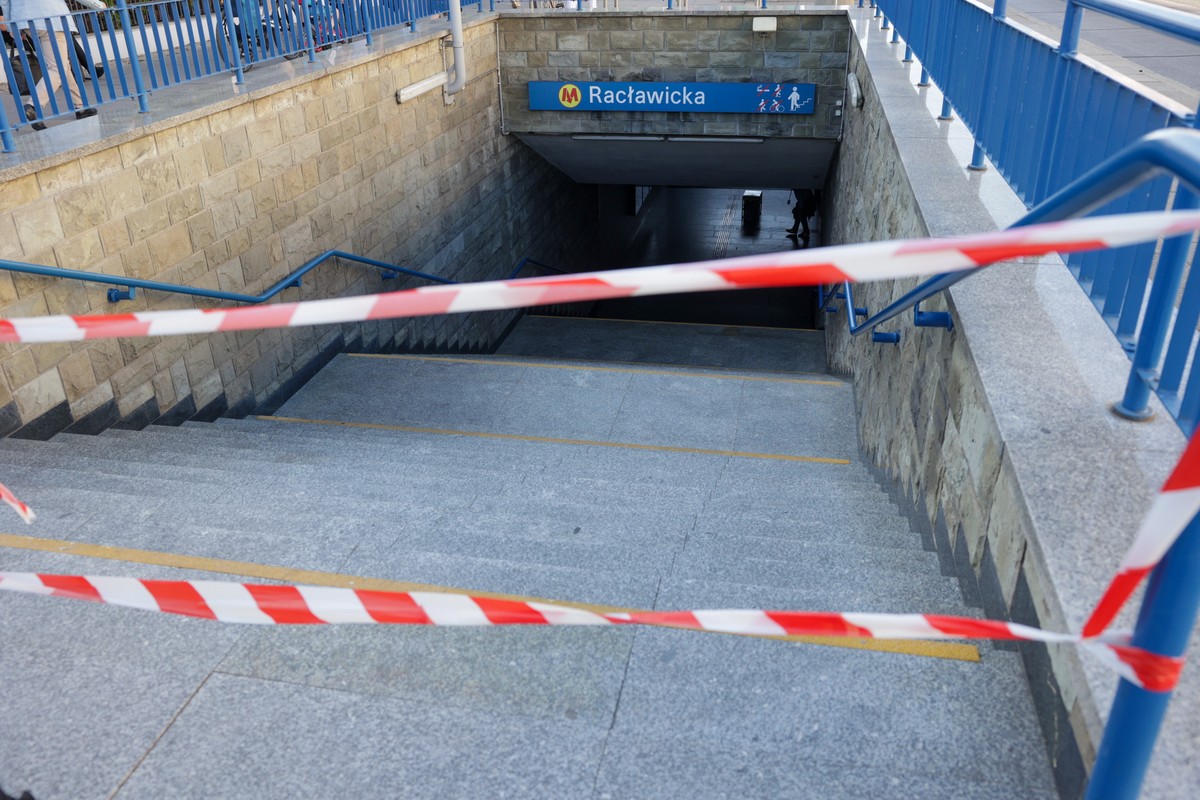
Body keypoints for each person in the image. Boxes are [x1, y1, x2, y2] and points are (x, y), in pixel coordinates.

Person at [6, 0, 97, 130]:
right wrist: (97, 5)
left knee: (61, 64)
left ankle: (80, 106)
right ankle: (33, 106)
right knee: (57, 68)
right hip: (51, 17)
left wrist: (12, 26)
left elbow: (5, 1)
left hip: (25, 20)